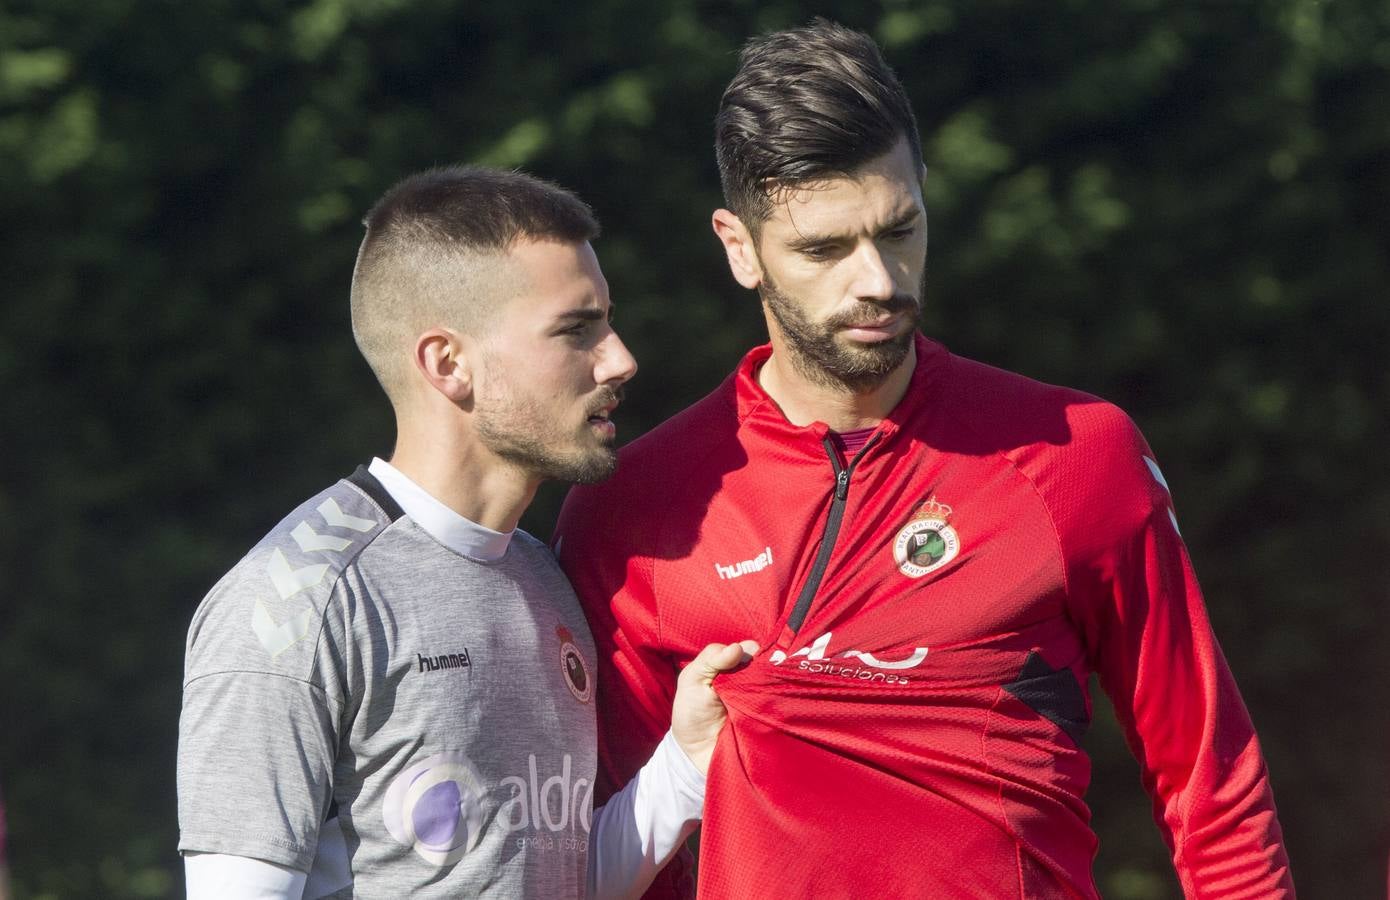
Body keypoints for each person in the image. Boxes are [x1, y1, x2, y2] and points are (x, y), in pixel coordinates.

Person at [555, 19, 1295, 899]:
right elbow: (616, 852)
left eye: (899, 229)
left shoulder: (1076, 453)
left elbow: (1208, 780)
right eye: (824, 249)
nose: (877, 279)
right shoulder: (636, 509)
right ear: (739, 247)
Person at [178, 166, 755, 899]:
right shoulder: (295, 601)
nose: (620, 359)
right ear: (449, 364)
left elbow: (551, 882)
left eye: (608, 322)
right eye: (577, 330)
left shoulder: (543, 576)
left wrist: (686, 760)